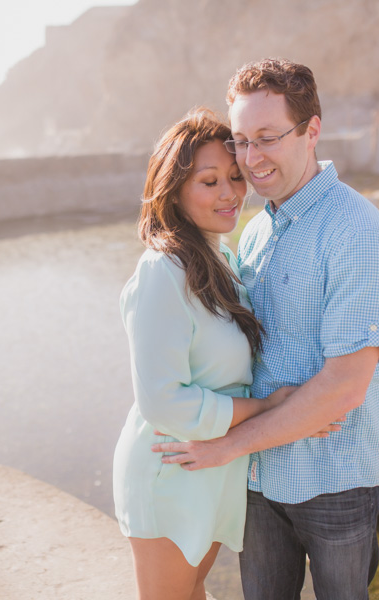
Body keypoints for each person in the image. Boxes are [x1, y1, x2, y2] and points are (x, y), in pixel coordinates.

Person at [152, 58, 379, 600]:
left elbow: (345, 386)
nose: (251, 159)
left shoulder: (357, 232)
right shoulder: (254, 233)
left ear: (312, 130)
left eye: (267, 138)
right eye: (242, 141)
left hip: (333, 479)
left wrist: (224, 446)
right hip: (260, 479)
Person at [113, 108, 342, 600]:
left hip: (211, 468)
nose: (229, 193)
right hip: (170, 467)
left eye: (235, 178)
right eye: (209, 181)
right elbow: (163, 400)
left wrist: (305, 408)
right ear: (173, 190)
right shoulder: (163, 270)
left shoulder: (222, 262)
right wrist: (267, 408)